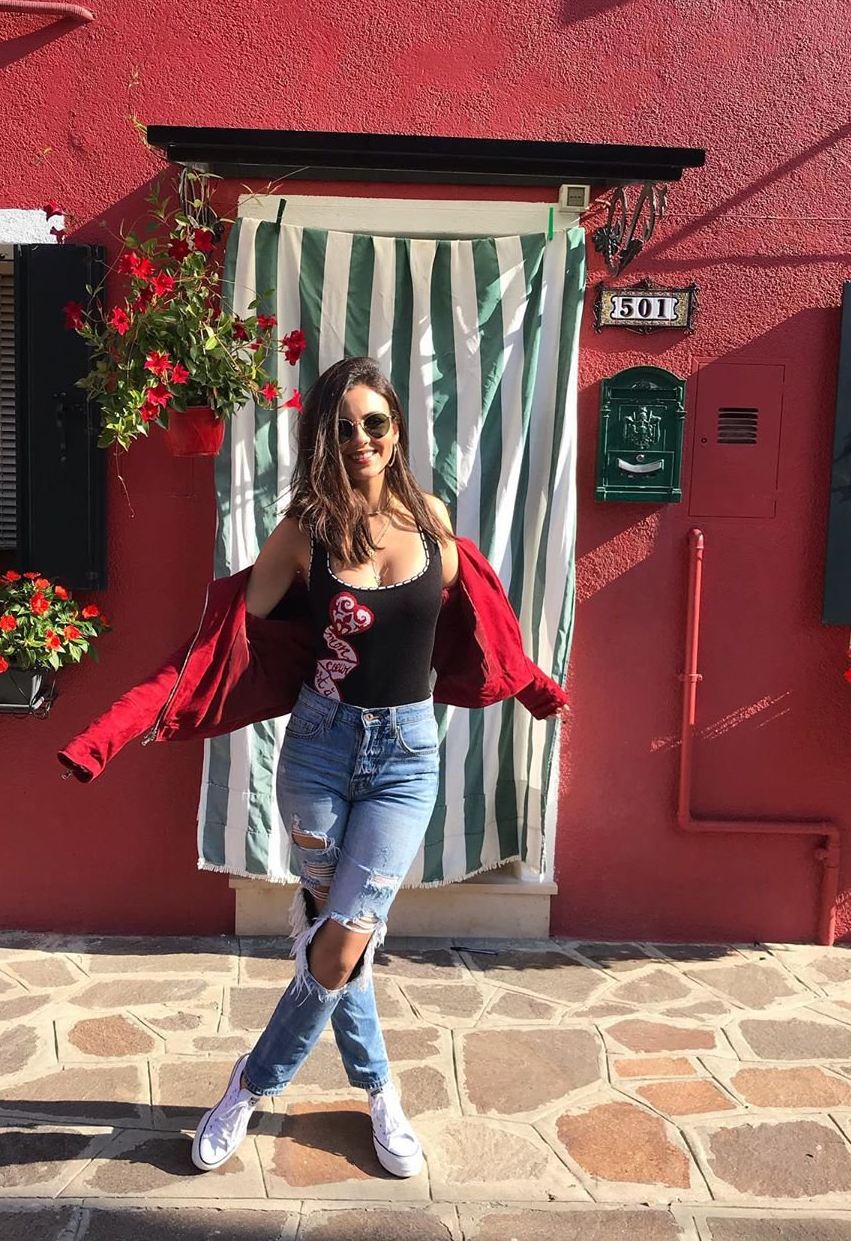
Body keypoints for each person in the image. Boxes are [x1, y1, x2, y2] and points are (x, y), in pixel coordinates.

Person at [58, 354, 570, 1178]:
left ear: (397, 430)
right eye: (344, 426)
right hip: (320, 753)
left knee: (339, 943)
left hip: (406, 759)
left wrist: (539, 690)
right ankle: (381, 1095)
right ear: (322, 438)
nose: (362, 438)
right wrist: (107, 734)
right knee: (340, 942)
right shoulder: (303, 534)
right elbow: (212, 645)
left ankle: (250, 1084)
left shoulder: (433, 522)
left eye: (376, 422)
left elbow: (487, 627)